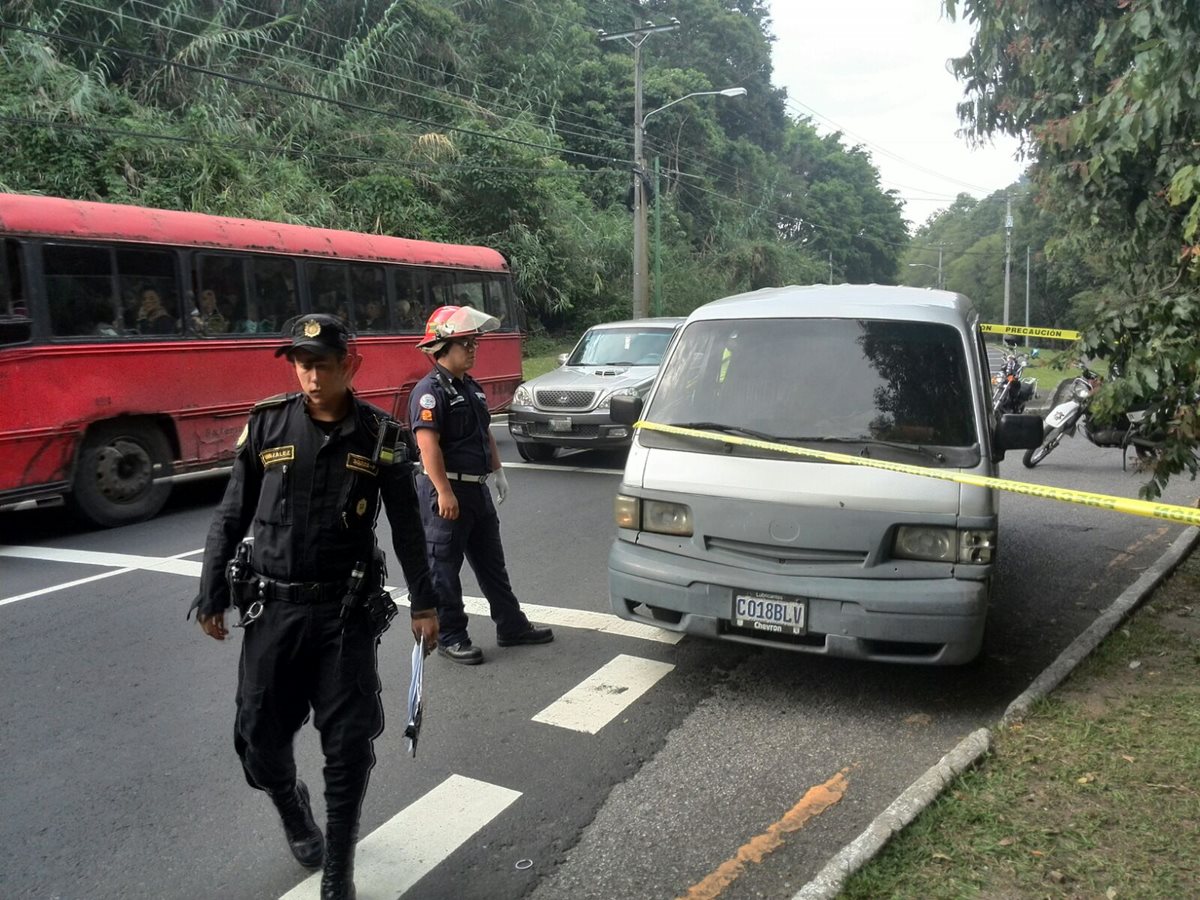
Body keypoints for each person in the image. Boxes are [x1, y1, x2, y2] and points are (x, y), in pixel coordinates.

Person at [191, 313, 439, 900]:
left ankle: (338, 871)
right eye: (302, 365)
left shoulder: (381, 437)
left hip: (342, 615)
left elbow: (408, 527)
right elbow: (231, 514)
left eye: (322, 365)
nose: (311, 376)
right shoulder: (268, 424)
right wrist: (211, 592)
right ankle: (291, 806)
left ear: (350, 366)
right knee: (258, 740)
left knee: (348, 746)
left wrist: (426, 604)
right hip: (271, 612)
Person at [408, 305, 553, 665]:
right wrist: (444, 491)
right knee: (444, 569)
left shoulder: (470, 387)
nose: (473, 349)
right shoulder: (429, 392)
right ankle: (452, 636)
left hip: (477, 490)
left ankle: (511, 626)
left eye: (474, 343)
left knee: (492, 564)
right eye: (466, 344)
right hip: (447, 492)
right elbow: (428, 446)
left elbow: (483, 431)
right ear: (442, 347)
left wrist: (498, 470)